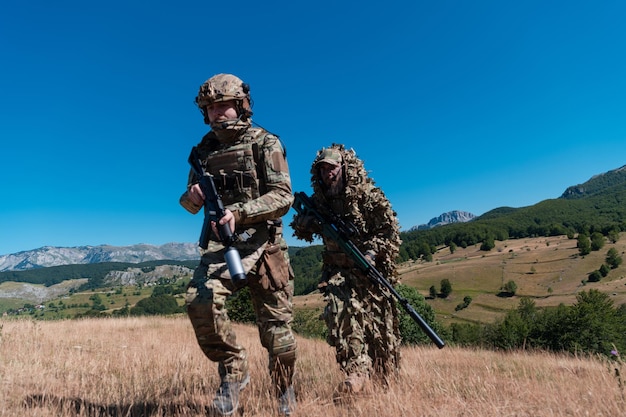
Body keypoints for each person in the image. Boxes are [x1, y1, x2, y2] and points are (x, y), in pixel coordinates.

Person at [179, 73, 297, 416]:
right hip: (222, 249)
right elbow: (187, 205)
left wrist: (240, 212)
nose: (218, 113)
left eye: (224, 105)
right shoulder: (202, 151)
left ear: (241, 105)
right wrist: (193, 196)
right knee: (200, 301)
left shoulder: (265, 142)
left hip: (266, 249)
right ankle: (233, 372)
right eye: (211, 107)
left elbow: (283, 196)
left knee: (279, 336)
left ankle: (283, 392)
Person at [290, 143, 402, 400]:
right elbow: (300, 226)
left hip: (372, 272)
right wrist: (306, 222)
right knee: (341, 312)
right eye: (322, 170)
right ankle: (356, 372)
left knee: (381, 330)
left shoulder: (369, 197)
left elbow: (390, 231)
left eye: (332, 168)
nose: (327, 174)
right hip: (337, 270)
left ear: (345, 168)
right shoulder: (319, 202)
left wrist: (372, 254)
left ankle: (387, 382)